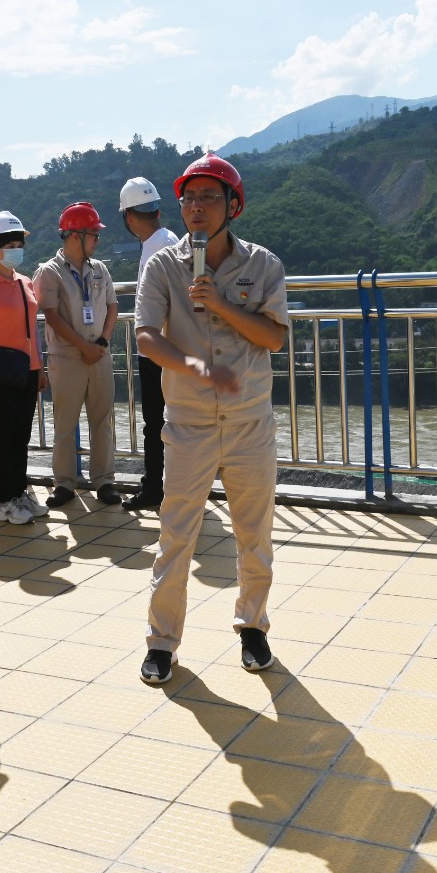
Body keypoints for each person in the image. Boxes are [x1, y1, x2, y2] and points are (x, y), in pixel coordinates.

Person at [134, 151, 288, 685]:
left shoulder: (263, 265)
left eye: (208, 197)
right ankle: (162, 642)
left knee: (254, 534)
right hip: (189, 421)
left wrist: (220, 304)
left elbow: (274, 336)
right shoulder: (161, 266)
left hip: (249, 423)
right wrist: (198, 367)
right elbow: (146, 337)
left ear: (233, 206)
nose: (196, 207)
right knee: (176, 535)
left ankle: (253, 627)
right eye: (189, 198)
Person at [33, 202, 121, 507]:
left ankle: (104, 480)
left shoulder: (100, 269)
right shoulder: (49, 272)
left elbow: (112, 307)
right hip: (67, 358)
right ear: (75, 236)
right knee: (65, 424)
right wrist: (84, 347)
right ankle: (64, 484)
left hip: (100, 355)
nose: (97, 240)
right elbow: (52, 316)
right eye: (93, 234)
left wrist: (102, 343)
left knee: (102, 421)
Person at [0, 211, 49, 525]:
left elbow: (33, 330)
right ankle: (5, 500)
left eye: (19, 245)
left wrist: (39, 368)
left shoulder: (25, 282)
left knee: (20, 436)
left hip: (26, 372)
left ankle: (19, 493)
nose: (17, 250)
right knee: (0, 437)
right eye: (10, 246)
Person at [119, 177, 176, 511]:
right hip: (163, 347)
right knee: (165, 422)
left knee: (157, 423)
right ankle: (168, 486)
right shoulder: (163, 240)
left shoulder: (159, 246)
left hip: (158, 350)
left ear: (129, 216)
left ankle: (155, 488)